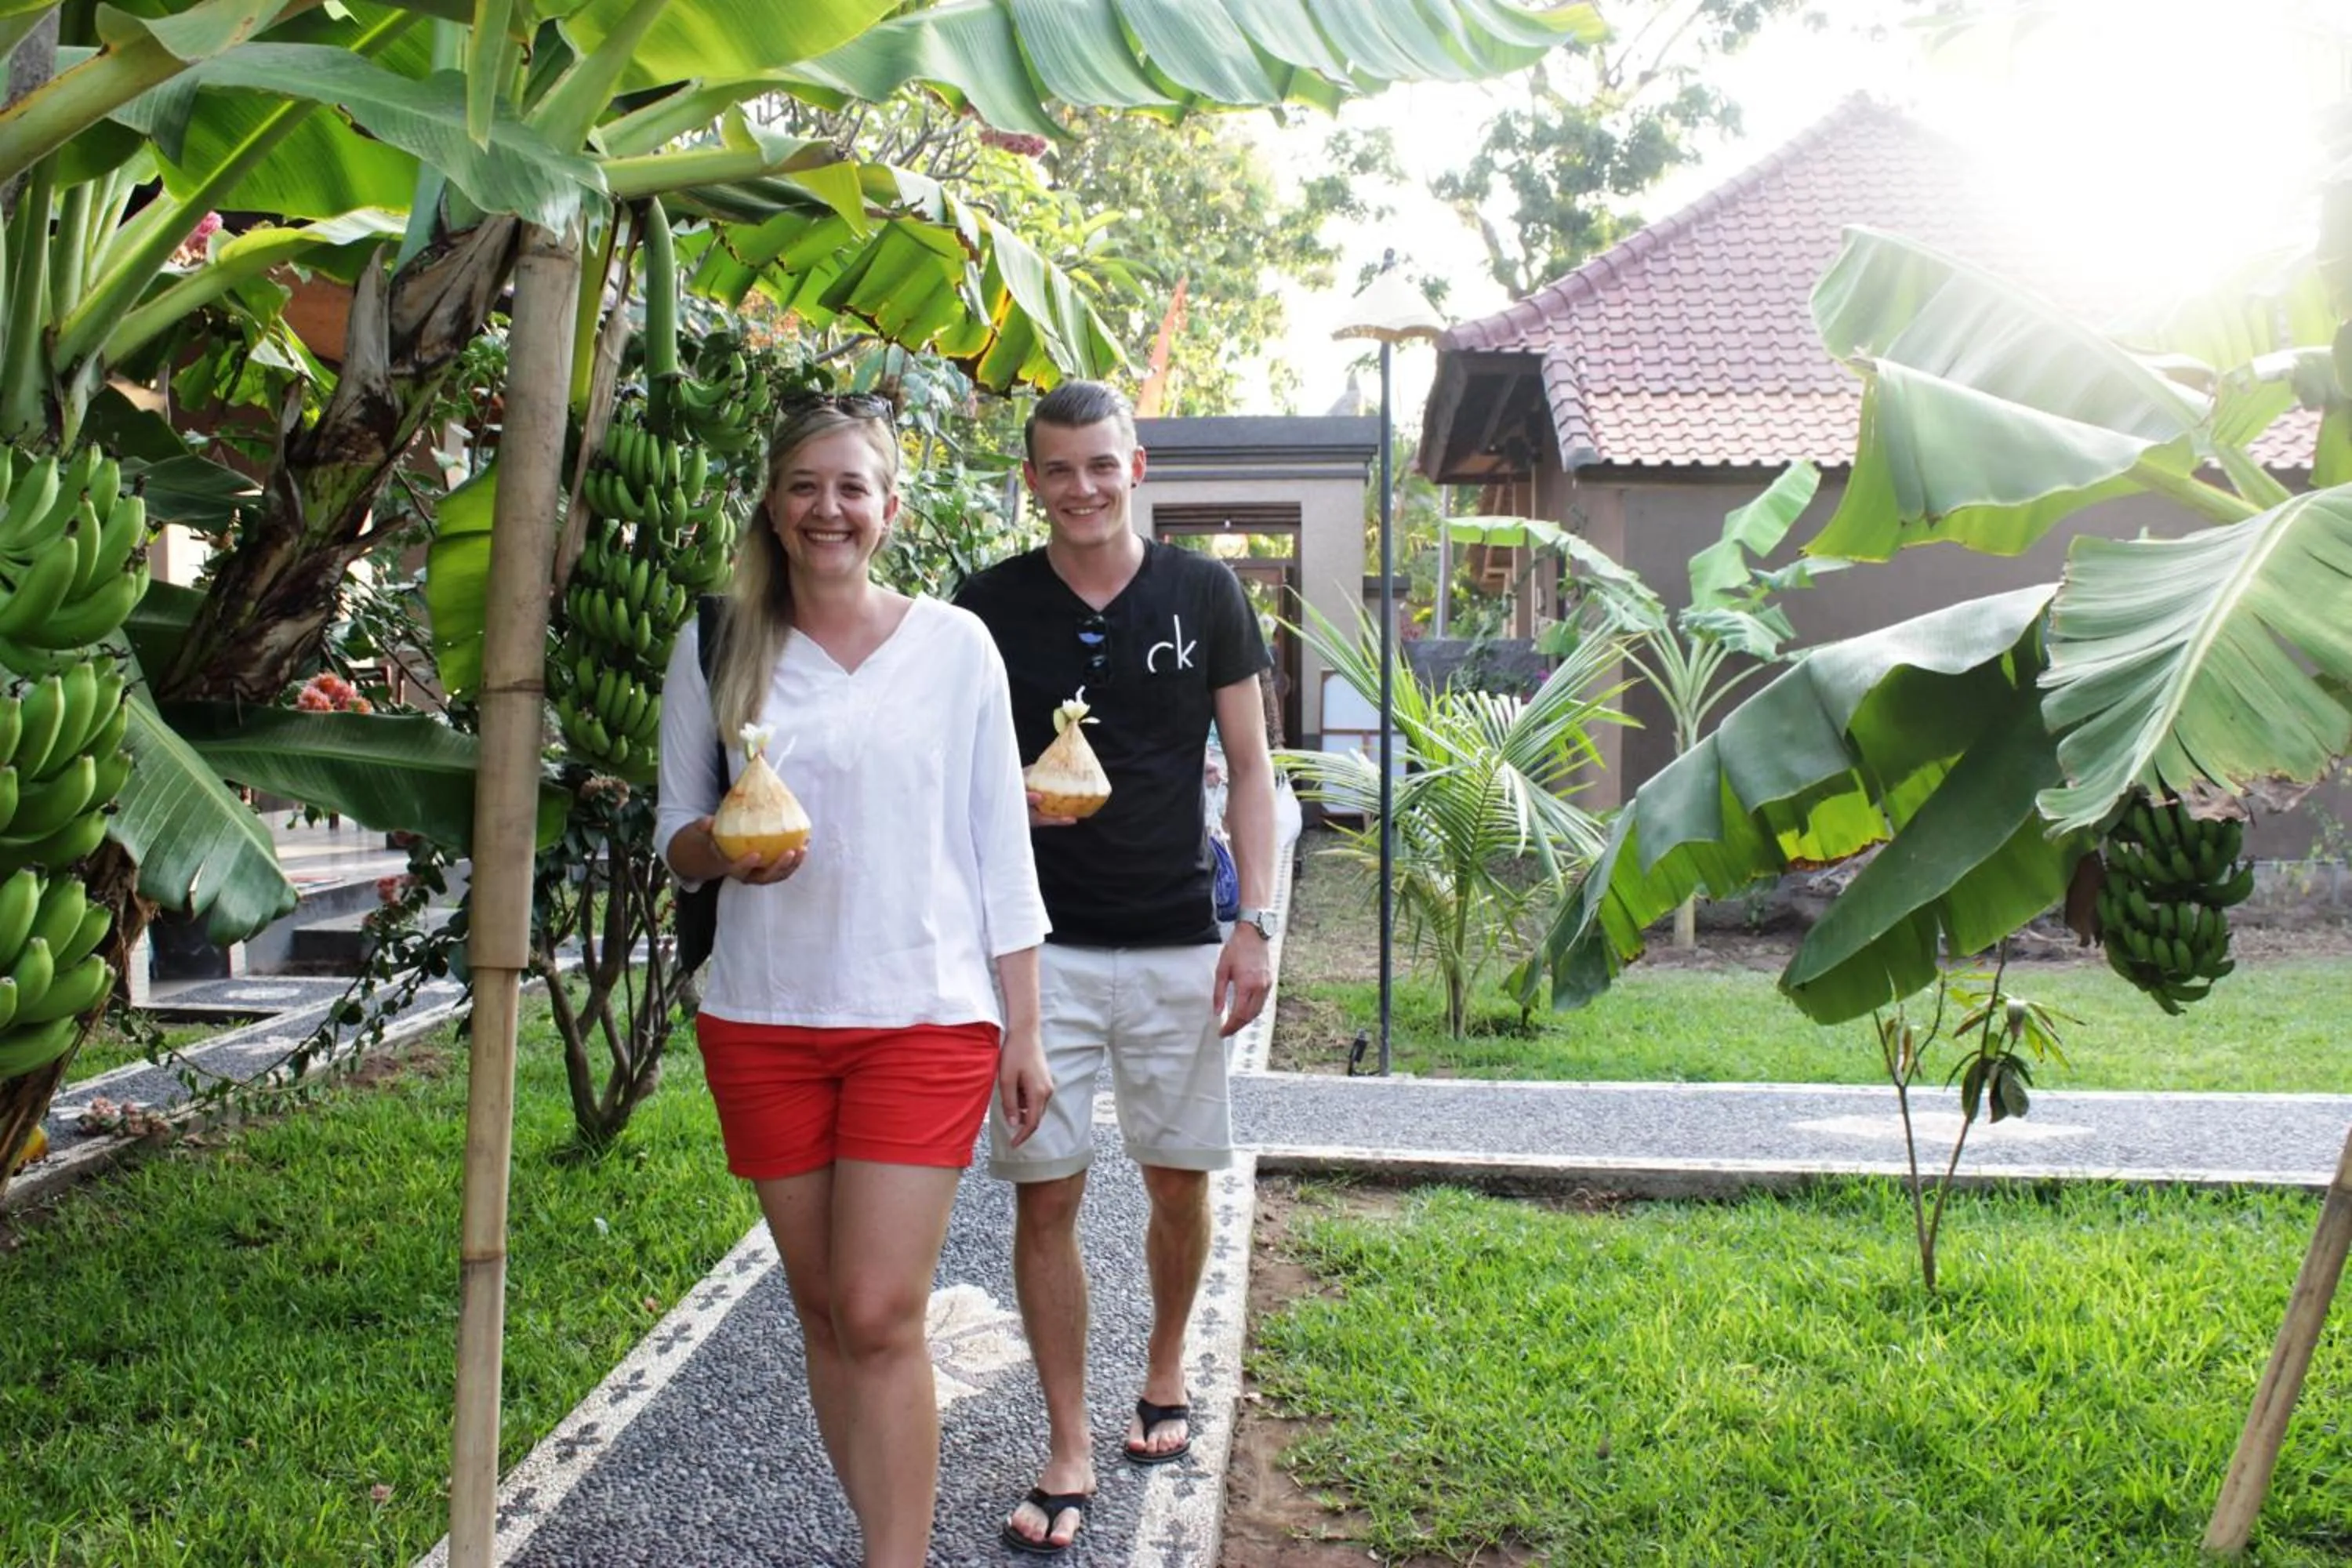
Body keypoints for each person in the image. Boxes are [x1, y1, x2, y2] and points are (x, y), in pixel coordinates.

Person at [656, 395, 1055, 1568]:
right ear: (775, 507)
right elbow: (674, 833)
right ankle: (889, 1540)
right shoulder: (719, 640)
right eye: (804, 487)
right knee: (827, 1311)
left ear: (889, 508)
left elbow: (1000, 841)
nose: (828, 509)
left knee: (881, 1308)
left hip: (923, 1017)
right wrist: (723, 850)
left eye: (852, 487)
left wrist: (1022, 1026)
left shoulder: (955, 646)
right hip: (762, 1017)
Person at [955, 380, 1277, 1556]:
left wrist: (1258, 923)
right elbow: (958, 773)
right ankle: (1066, 1440)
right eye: (1057, 469)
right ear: (1031, 479)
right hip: (1039, 951)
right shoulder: (986, 608)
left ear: (1135, 468)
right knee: (1048, 1191)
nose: (1081, 487)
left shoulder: (1206, 594)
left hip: (1182, 939)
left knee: (1177, 1180)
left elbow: (1248, 770)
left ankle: (1163, 1364)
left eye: (1101, 465)